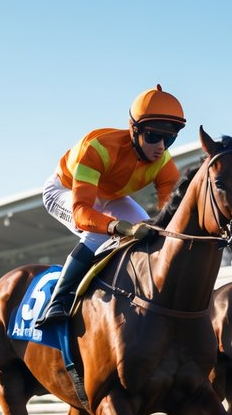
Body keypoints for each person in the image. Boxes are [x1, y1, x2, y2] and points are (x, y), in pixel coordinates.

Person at [34, 85, 186, 328]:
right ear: (133, 129)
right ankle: (58, 301)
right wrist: (120, 227)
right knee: (97, 233)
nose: (161, 146)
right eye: (153, 136)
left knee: (148, 228)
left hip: (109, 195)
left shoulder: (165, 166)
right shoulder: (98, 148)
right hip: (65, 190)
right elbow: (82, 213)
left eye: (169, 139)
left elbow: (169, 221)